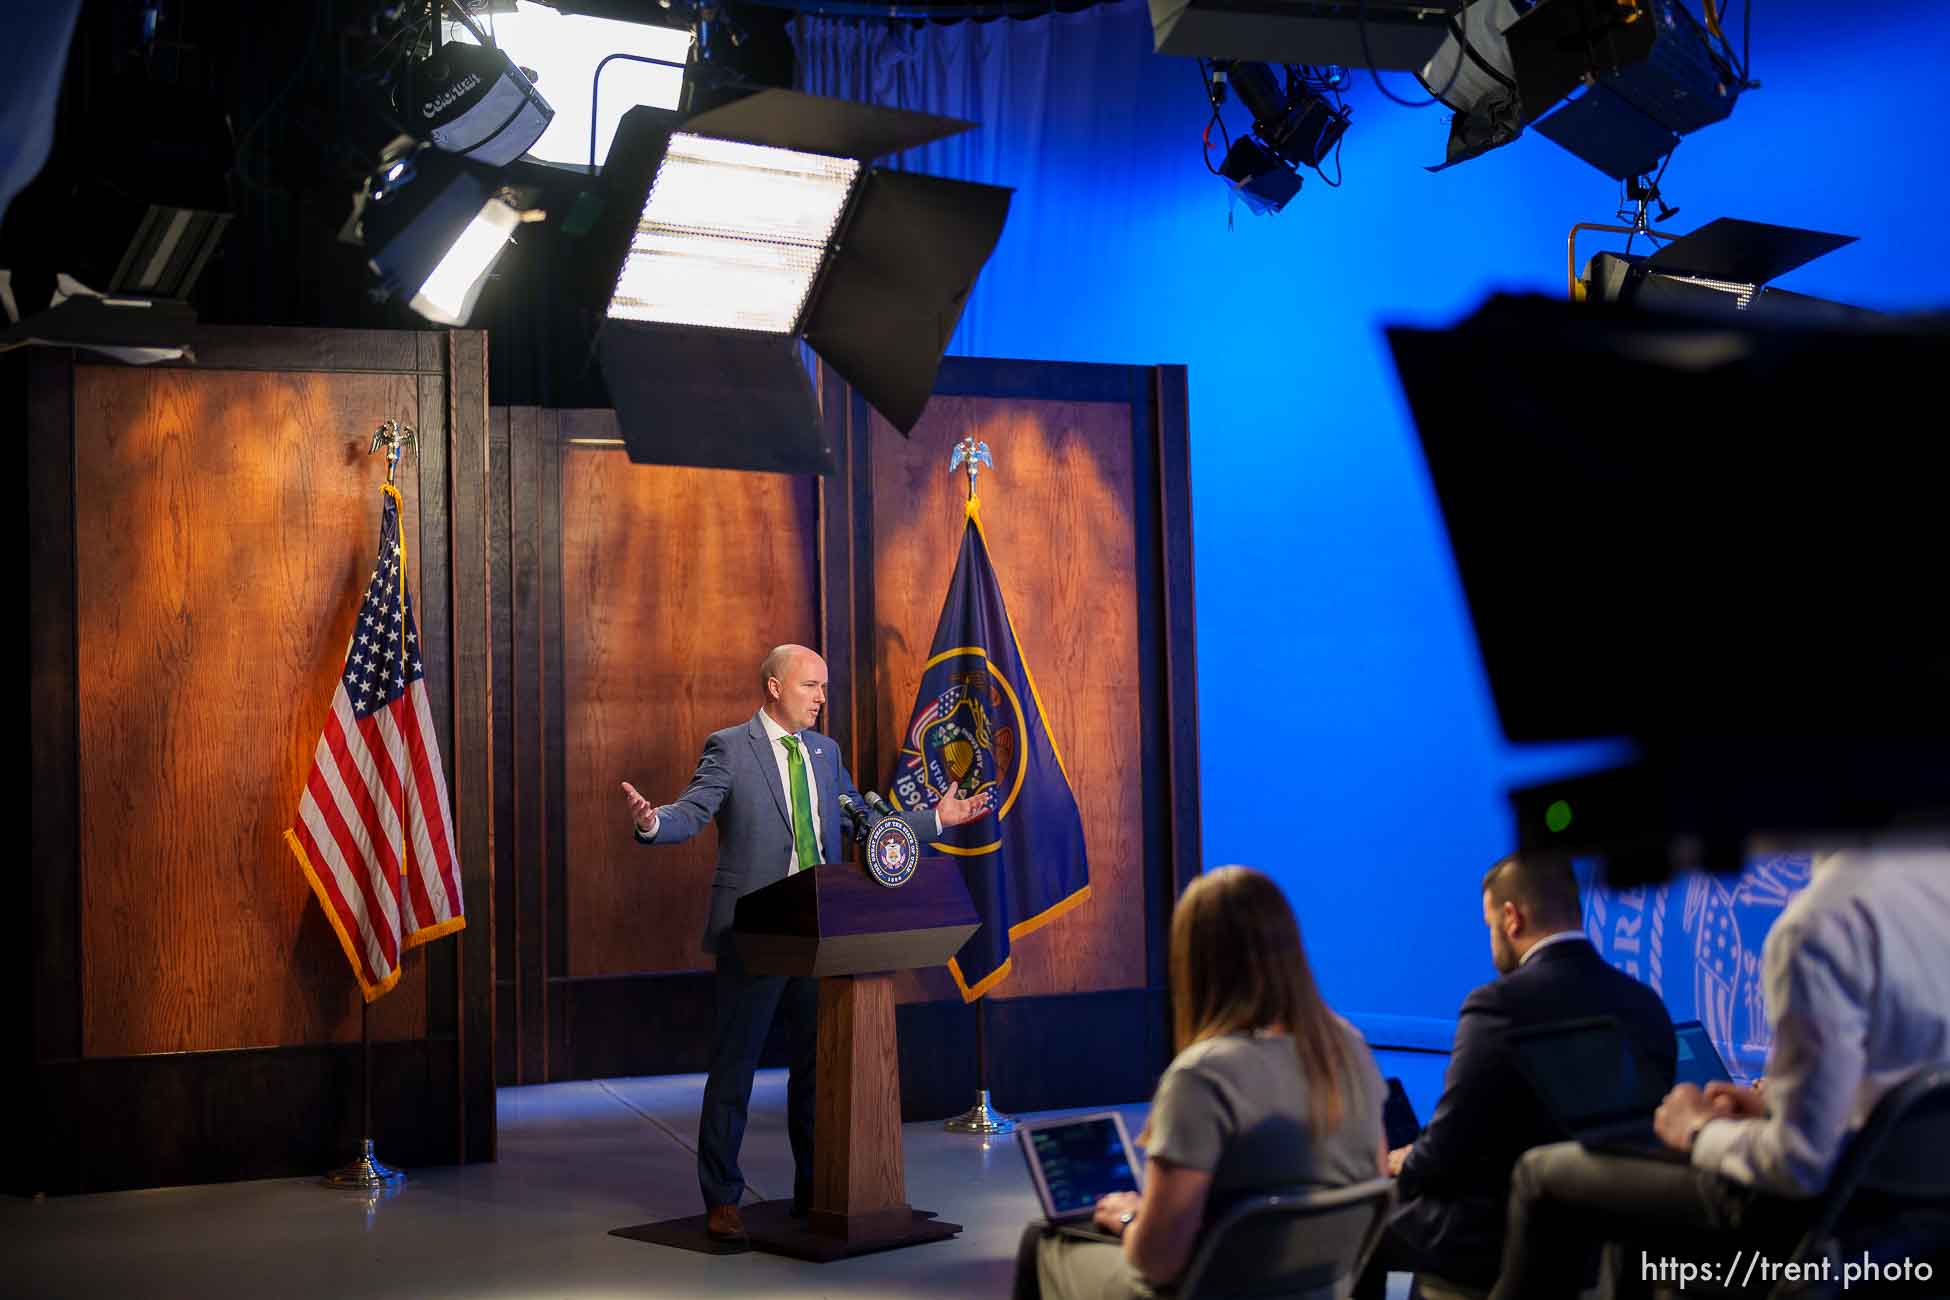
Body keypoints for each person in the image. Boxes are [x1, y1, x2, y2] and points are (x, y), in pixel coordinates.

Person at [620, 643, 989, 1242]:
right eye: (811, 686)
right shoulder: (730, 748)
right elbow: (691, 813)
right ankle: (722, 1199)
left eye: (824, 687)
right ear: (773, 687)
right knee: (734, 1071)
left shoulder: (825, 753)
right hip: (757, 934)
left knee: (818, 1071)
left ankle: (816, 1188)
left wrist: (935, 820)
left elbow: (862, 823)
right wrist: (652, 822)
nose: (822, 699)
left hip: (824, 933)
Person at [1489, 841, 1950, 1299]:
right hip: (1910, 1241)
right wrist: (1775, 1106)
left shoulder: (1821, 923)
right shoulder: (1932, 887)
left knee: (1539, 1174)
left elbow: (1800, 1163)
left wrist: (1698, 1129)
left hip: (1813, 1229)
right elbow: (1897, 1085)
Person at [1013, 866, 1387, 1300]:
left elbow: (1158, 1262)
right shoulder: (1349, 1046)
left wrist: (1131, 1219)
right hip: (1319, 1288)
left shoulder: (1201, 1077)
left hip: (1207, 1290)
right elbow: (1373, 1177)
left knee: (1043, 1242)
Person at [1355, 852, 1675, 1296]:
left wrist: (1406, 1162)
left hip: (1494, 1247)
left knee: (1369, 1222)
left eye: (1488, 926)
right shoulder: (1646, 1005)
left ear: (1511, 917)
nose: (1491, 943)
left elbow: (1449, 1148)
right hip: (1600, 1254)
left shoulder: (1497, 1005)